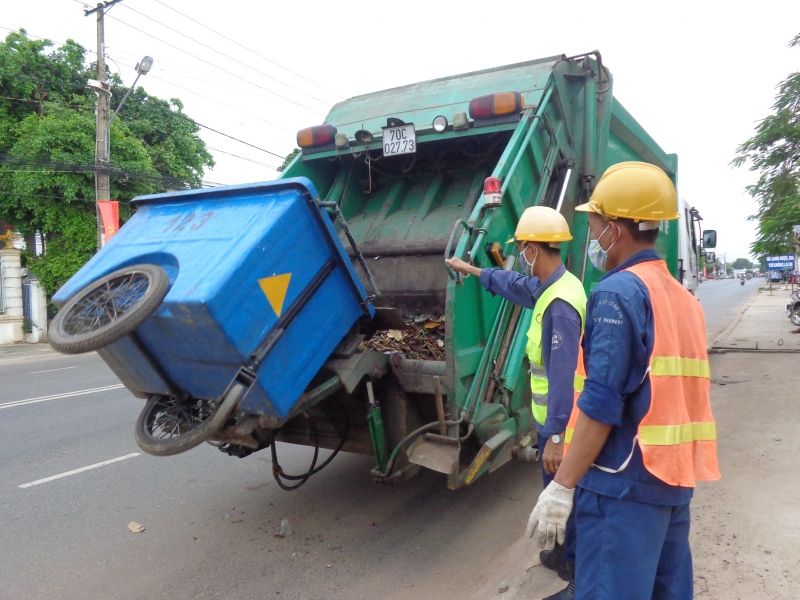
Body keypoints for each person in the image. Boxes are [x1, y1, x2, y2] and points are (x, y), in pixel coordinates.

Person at [525, 161, 720, 600]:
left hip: (622, 483)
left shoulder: (617, 293)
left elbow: (601, 400)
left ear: (616, 227)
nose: (593, 235)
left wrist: (562, 486)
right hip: (671, 481)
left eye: (595, 224)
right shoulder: (683, 298)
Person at [447, 206, 586, 600]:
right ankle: (561, 556)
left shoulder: (560, 303)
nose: (520, 257)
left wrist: (556, 437)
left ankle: (575, 572)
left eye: (521, 250)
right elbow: (512, 284)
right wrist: (470, 269)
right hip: (551, 421)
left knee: (563, 495)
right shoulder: (552, 284)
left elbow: (561, 377)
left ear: (529, 248)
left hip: (560, 422)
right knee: (552, 494)